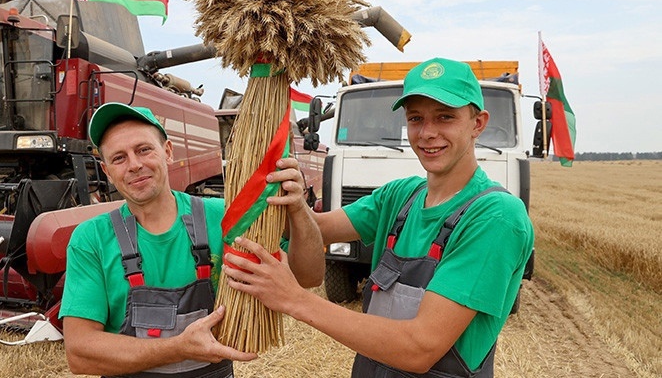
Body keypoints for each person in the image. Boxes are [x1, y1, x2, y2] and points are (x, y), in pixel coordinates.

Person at [223, 57, 535, 377]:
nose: (427, 132)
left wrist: (295, 300)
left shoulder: (496, 217)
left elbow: (420, 348)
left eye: (445, 117)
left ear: (478, 123)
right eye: (416, 118)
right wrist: (288, 197)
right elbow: (318, 229)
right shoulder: (400, 197)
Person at [59, 102, 322, 377]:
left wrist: (298, 208)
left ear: (168, 152)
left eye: (144, 150)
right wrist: (179, 348)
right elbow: (80, 353)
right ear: (106, 171)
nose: (135, 165)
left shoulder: (223, 217)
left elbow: (309, 277)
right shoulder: (91, 239)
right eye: (119, 158)